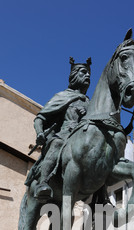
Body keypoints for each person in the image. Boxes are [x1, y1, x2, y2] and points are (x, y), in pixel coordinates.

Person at [26, 57, 92, 201]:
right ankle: (43, 183)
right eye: (83, 72)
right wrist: (40, 133)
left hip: (85, 136)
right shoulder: (63, 96)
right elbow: (40, 118)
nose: (87, 75)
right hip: (65, 134)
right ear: (74, 76)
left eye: (88, 73)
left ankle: (101, 195)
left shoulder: (90, 102)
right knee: (56, 144)